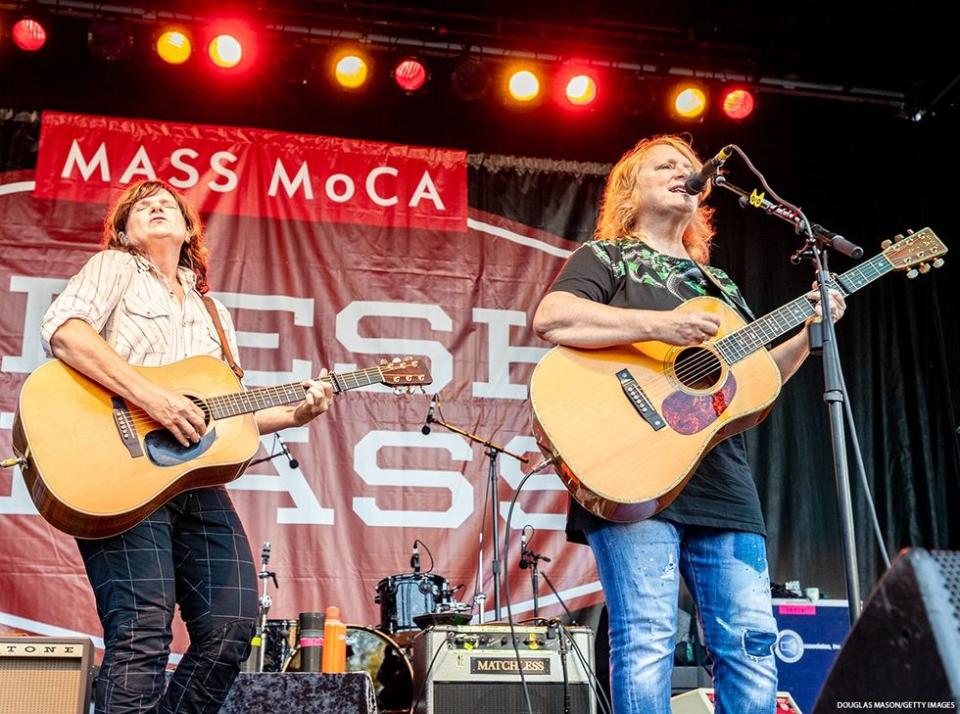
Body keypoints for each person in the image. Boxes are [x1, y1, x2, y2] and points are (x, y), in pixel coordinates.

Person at [532, 135, 845, 714]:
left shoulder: (718, 285)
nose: (686, 172)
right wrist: (658, 327)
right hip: (631, 470)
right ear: (632, 188)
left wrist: (808, 335)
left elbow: (753, 381)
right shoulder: (607, 259)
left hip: (722, 481)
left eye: (689, 167)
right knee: (648, 636)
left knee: (751, 642)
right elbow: (553, 318)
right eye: (666, 165)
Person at [40, 179, 334, 713]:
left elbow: (227, 412)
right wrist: (154, 398)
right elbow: (65, 333)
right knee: (141, 629)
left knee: (233, 624)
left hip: (191, 480)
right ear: (124, 232)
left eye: (166, 204)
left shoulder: (215, 314)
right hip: (118, 470)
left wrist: (298, 410)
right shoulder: (115, 269)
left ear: (188, 228)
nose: (155, 207)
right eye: (140, 206)